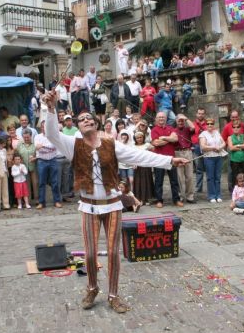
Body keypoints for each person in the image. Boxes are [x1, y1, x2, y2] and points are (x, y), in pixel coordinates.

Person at [43, 89, 189, 313]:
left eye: (89, 118)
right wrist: (51, 109)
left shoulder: (111, 144)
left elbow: (140, 156)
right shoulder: (71, 144)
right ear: (78, 126)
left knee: (112, 252)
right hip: (89, 207)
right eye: (81, 119)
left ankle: (113, 295)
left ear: (96, 124)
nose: (85, 121)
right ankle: (92, 288)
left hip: (112, 205)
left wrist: (169, 160)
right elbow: (51, 134)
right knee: (90, 253)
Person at [151, 112, 183, 207]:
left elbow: (176, 139)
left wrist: (164, 138)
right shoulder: (154, 130)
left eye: (163, 117)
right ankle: (159, 200)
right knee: (159, 180)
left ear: (166, 118)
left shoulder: (170, 128)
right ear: (156, 119)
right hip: (159, 158)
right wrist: (169, 139)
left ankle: (176, 199)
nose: (161, 118)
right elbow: (156, 143)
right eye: (159, 117)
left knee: (174, 180)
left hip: (171, 158)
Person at [34, 121, 62, 209]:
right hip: (42, 161)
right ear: (40, 128)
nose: (44, 128)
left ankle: (57, 201)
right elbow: (37, 148)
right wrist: (47, 147)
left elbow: (53, 146)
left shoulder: (53, 136)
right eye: (42, 127)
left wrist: (43, 146)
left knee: (55, 182)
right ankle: (41, 202)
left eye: (45, 127)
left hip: (53, 160)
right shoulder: (37, 136)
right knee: (42, 182)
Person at [199, 117, 226, 203]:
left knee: (218, 177)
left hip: (218, 156)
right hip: (209, 157)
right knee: (210, 177)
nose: (210, 125)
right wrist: (213, 147)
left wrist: (220, 147)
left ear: (213, 125)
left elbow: (224, 143)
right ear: (206, 125)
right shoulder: (203, 134)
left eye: (211, 124)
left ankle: (218, 195)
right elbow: (203, 147)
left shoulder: (217, 132)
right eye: (208, 124)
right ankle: (212, 196)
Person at [174, 115, 196, 204]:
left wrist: (186, 118)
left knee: (189, 176)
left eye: (182, 121)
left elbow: (193, 127)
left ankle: (190, 196)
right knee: (179, 176)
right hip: (177, 152)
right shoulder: (173, 130)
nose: (180, 122)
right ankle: (180, 196)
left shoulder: (187, 129)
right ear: (176, 121)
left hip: (187, 152)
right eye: (179, 121)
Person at [132, 132, 155, 205]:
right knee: (139, 183)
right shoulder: (133, 146)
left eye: (140, 137)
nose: (139, 139)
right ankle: (140, 199)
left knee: (146, 182)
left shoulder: (147, 145)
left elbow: (153, 150)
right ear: (135, 139)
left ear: (143, 137)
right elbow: (132, 156)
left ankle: (146, 199)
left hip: (146, 165)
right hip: (137, 166)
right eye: (137, 138)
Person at [227, 116, 244, 190]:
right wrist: (241, 146)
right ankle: (235, 190)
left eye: (238, 127)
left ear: (240, 128)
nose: (236, 128)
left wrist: (236, 145)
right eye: (234, 127)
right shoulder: (230, 137)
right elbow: (231, 148)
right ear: (232, 128)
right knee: (235, 175)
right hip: (234, 159)